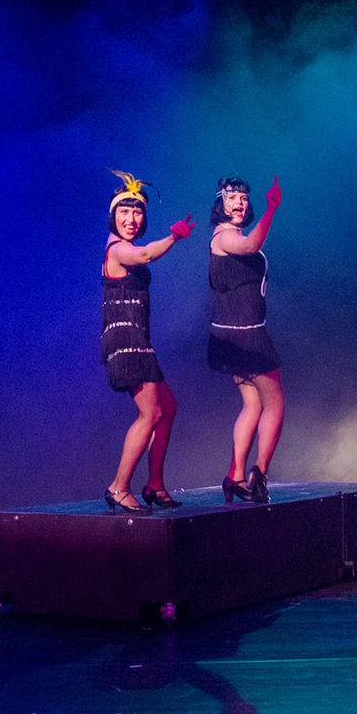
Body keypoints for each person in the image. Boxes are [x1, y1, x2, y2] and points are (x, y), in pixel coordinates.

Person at [101, 170, 195, 512]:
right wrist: (173, 237)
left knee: (167, 408)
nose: (131, 219)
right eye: (124, 212)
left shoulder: (125, 246)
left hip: (137, 338)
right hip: (125, 340)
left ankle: (154, 485)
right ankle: (118, 487)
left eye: (137, 212)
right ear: (113, 216)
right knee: (151, 412)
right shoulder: (117, 250)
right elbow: (144, 257)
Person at [208, 174, 284, 504]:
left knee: (252, 403)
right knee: (275, 402)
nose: (239, 203)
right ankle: (259, 475)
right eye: (231, 198)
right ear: (219, 204)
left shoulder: (231, 234)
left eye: (243, 198)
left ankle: (235, 476)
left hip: (233, 332)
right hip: (245, 334)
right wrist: (271, 210)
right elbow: (251, 246)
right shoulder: (225, 236)